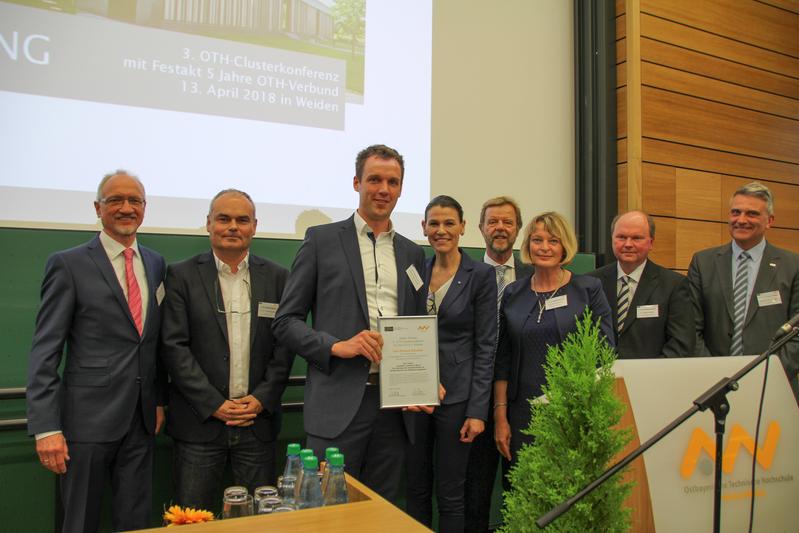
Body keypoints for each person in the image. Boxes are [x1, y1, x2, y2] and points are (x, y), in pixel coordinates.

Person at [272, 144, 428, 502]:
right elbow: (285, 322)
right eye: (374, 179)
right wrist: (335, 346)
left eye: (393, 181)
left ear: (401, 188)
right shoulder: (321, 241)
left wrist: (424, 377)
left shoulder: (412, 253)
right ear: (357, 182)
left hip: (395, 406)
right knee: (327, 513)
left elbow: (417, 325)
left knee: (381, 510)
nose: (383, 189)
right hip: (337, 405)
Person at [26, 170, 166, 533]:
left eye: (134, 201)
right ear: (97, 208)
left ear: (144, 208)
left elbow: (153, 343)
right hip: (85, 425)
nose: (125, 208)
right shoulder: (68, 264)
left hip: (141, 422)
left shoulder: (155, 263)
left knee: (136, 522)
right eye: (115, 200)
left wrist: (159, 401)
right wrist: (45, 428)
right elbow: (45, 349)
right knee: (79, 522)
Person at [160, 189, 294, 511]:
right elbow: (173, 347)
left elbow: (285, 346)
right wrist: (214, 404)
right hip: (199, 425)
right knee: (192, 519)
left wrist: (261, 399)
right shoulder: (181, 275)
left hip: (256, 425)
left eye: (242, 220)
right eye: (224, 219)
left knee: (262, 523)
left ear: (254, 226)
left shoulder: (278, 277)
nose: (233, 226)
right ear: (208, 224)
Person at [493, 211, 614, 474]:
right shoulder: (514, 292)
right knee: (522, 489)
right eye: (537, 240)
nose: (544, 247)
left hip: (572, 410)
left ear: (565, 247)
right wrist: (500, 417)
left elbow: (605, 354)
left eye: (553, 241)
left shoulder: (588, 290)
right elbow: (502, 359)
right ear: (528, 246)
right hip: (521, 412)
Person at [405, 195, 496, 533]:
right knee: (415, 488)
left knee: (451, 493)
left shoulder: (480, 275)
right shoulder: (415, 271)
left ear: (462, 227)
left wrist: (477, 411)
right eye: (433, 223)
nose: (441, 230)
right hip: (414, 393)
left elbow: (486, 345)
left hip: (457, 398)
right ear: (424, 228)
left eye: (448, 223)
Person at [688, 182, 799, 400]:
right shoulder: (703, 262)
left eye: (752, 213)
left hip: (774, 386)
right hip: (713, 388)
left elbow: (797, 334)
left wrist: (765, 374)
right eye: (736, 212)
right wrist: (711, 372)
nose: (741, 220)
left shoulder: (792, 266)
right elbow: (691, 327)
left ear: (770, 221)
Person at [464, 196, 532, 533]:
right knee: (474, 494)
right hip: (473, 400)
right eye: (493, 222)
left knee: (520, 491)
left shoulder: (538, 277)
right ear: (480, 228)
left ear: (518, 228)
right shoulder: (465, 275)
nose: (500, 228)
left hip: (521, 401)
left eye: (507, 222)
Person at [588, 210, 694, 358]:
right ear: (612, 239)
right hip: (601, 377)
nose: (628, 244)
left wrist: (648, 374)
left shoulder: (674, 285)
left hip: (652, 377)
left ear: (651, 243)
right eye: (621, 237)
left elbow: (680, 344)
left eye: (637, 238)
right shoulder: (591, 282)